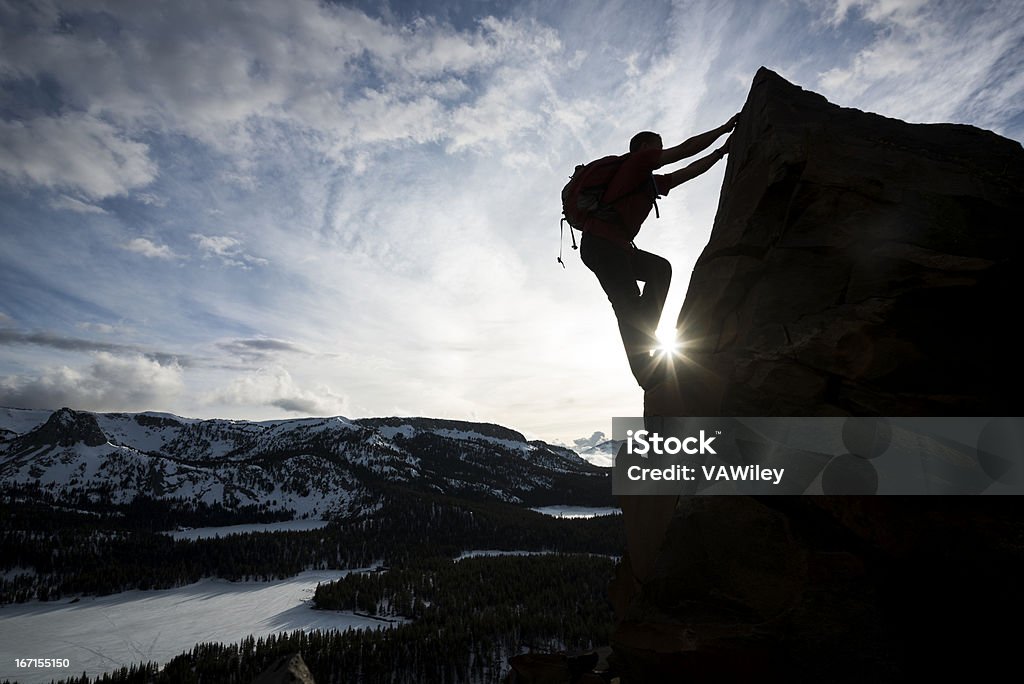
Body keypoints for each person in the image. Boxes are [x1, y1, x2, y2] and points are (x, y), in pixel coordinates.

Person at [580, 114, 738, 390]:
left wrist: (720, 152)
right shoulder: (636, 163)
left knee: (660, 270)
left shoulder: (647, 183)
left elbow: (686, 173)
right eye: (656, 145)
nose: (660, 149)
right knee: (627, 303)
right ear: (642, 148)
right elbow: (685, 150)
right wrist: (724, 128)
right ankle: (646, 373)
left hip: (615, 247)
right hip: (601, 244)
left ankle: (644, 333)